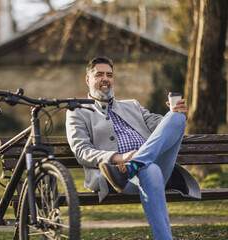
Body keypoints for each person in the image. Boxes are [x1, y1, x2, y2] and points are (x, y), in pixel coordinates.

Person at [65, 57, 195, 239]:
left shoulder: (132, 105)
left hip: (150, 164)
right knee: (151, 170)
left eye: (109, 75)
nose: (105, 79)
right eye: (99, 74)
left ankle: (138, 162)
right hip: (119, 174)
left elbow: (158, 125)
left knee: (178, 118)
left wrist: (171, 115)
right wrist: (118, 157)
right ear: (88, 80)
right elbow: (81, 151)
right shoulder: (77, 111)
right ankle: (139, 164)